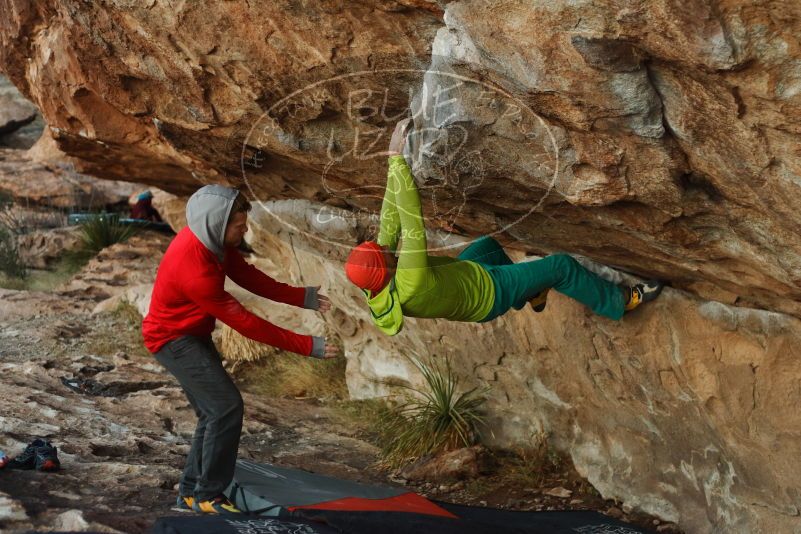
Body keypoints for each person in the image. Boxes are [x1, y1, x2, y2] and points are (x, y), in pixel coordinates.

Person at [344, 119, 663, 336]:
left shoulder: (375, 282)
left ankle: (532, 289)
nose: (384, 247)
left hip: (472, 273)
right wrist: (398, 161)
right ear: (385, 271)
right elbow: (410, 217)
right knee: (561, 266)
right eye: (383, 254)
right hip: (490, 295)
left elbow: (391, 219)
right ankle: (620, 301)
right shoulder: (409, 282)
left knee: (487, 246)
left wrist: (391, 160)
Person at [142, 185, 339, 515]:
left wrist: (300, 297)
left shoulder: (214, 241)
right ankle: (208, 495)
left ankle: (191, 494)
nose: (245, 230)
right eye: (240, 225)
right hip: (171, 341)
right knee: (226, 407)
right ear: (219, 223)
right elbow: (246, 323)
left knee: (212, 412)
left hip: (191, 334)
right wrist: (307, 345)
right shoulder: (194, 268)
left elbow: (249, 276)